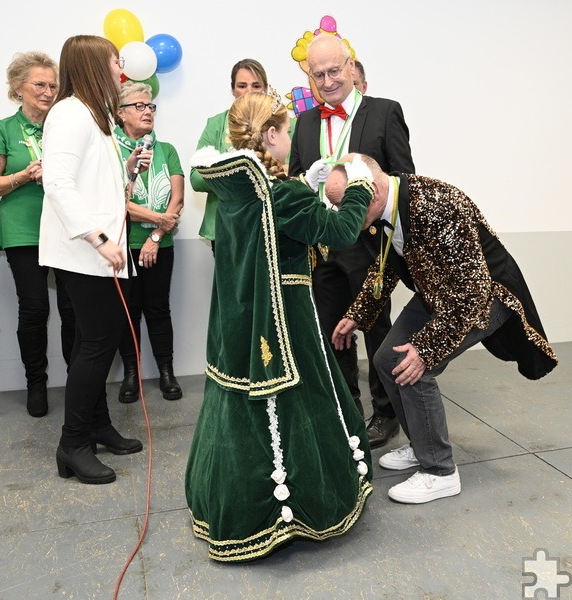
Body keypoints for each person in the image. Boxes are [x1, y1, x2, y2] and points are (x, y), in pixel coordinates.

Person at [185, 92, 375, 561]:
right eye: (286, 131)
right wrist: (358, 185)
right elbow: (340, 230)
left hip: (240, 316)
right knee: (299, 400)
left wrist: (305, 189)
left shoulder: (238, 190)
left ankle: (230, 504)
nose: (291, 138)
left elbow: (275, 230)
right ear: (270, 135)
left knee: (242, 406)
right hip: (286, 315)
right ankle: (291, 509)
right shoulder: (282, 194)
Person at [328, 155, 558, 504]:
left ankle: (440, 471)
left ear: (370, 192)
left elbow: (472, 291)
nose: (339, 216)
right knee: (387, 358)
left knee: (411, 365)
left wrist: (426, 347)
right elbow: (387, 265)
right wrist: (358, 314)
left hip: (484, 294)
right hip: (439, 290)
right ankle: (423, 445)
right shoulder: (383, 210)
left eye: (343, 205)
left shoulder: (436, 206)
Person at [289, 33, 416, 450]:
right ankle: (346, 410)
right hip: (323, 250)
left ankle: (386, 412)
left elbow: (404, 179)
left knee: (379, 332)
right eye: (318, 74)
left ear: (350, 66)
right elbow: (295, 182)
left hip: (371, 249)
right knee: (333, 334)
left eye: (333, 70)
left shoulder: (383, 112)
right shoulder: (304, 123)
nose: (327, 81)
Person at [39, 35, 145, 484]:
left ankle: (96, 426)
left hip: (97, 253)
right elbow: (59, 184)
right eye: (115, 61)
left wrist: (128, 172)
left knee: (94, 342)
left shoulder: (93, 115)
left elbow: (91, 185)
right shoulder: (68, 113)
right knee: (96, 345)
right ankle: (73, 443)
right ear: (93, 65)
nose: (121, 68)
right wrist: (99, 237)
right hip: (84, 253)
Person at [0, 51, 75, 418]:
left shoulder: (63, 126)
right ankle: (37, 382)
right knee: (35, 308)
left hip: (66, 229)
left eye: (53, 85)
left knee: (72, 308)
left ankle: (77, 382)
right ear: (19, 88)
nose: (48, 91)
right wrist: (23, 176)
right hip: (22, 231)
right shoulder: (3, 129)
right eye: (40, 84)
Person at [114, 81, 184, 403]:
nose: (147, 111)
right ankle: (131, 375)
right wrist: (158, 220)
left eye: (150, 106)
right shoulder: (112, 152)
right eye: (139, 106)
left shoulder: (166, 150)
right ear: (121, 113)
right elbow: (117, 202)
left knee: (159, 309)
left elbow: (178, 199)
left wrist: (156, 236)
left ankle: (166, 373)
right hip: (123, 246)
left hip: (161, 246)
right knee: (129, 311)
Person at [190, 58, 268, 255]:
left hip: (268, 228)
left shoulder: (284, 124)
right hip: (225, 228)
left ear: (265, 89)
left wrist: (223, 173)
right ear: (233, 90)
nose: (249, 91)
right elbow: (196, 178)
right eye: (242, 85)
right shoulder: (216, 124)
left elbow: (289, 172)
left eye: (256, 85)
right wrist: (241, 177)